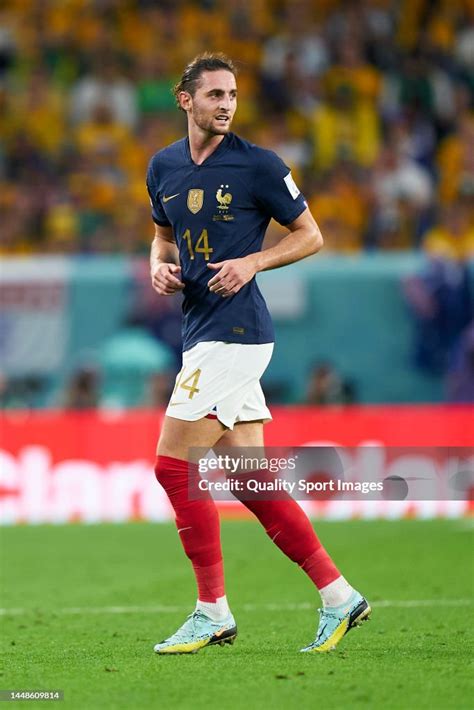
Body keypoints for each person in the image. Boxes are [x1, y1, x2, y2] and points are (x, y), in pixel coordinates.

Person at [147, 52, 370, 656]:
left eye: (233, 95)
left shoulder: (258, 166)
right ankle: (339, 596)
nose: (226, 105)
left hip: (237, 334)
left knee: (173, 468)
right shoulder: (163, 165)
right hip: (202, 330)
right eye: (215, 94)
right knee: (248, 479)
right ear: (185, 98)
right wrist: (159, 269)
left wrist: (253, 261)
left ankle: (210, 610)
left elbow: (311, 233)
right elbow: (162, 237)